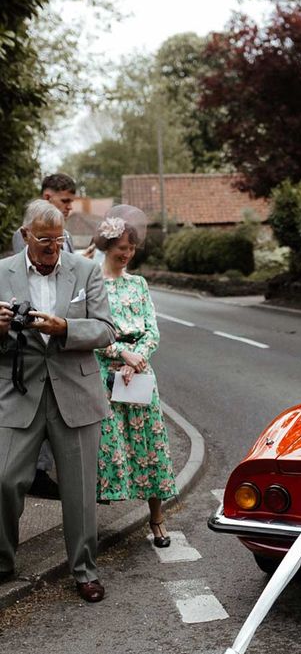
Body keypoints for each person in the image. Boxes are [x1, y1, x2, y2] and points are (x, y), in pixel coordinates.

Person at [0, 200, 116, 601]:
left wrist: (65, 327)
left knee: (80, 489)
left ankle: (84, 571)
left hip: (76, 391)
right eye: (44, 239)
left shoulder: (85, 270)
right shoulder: (1, 272)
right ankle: (3, 561)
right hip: (19, 391)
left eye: (59, 238)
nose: (53, 246)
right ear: (25, 234)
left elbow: (106, 330)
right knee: (3, 479)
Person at [93, 208, 177, 547]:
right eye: (121, 247)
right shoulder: (93, 284)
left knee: (150, 445)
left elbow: (152, 331)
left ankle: (157, 518)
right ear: (107, 245)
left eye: (132, 248)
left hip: (139, 374)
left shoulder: (139, 284)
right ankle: (91, 525)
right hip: (106, 376)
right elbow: (93, 333)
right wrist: (120, 354)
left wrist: (137, 358)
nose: (126, 254)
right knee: (108, 447)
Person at [11, 173, 78, 498]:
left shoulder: (66, 238)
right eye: (65, 200)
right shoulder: (23, 239)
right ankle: (33, 475)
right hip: (31, 355)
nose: (69, 207)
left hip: (63, 354)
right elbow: (24, 284)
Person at [12, 173, 76, 254]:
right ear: (47, 198)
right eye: (64, 201)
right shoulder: (26, 234)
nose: (70, 207)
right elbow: (25, 265)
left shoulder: (67, 235)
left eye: (71, 202)